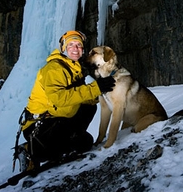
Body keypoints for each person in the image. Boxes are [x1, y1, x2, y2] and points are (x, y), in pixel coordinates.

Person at [15, 30, 116, 172]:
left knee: (85, 140)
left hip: (60, 119)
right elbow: (59, 98)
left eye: (79, 46)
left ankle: (67, 142)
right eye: (71, 45)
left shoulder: (74, 69)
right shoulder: (54, 69)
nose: (75, 49)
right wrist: (95, 88)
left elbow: (79, 96)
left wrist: (103, 93)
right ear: (64, 48)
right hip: (40, 125)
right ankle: (28, 151)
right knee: (52, 152)